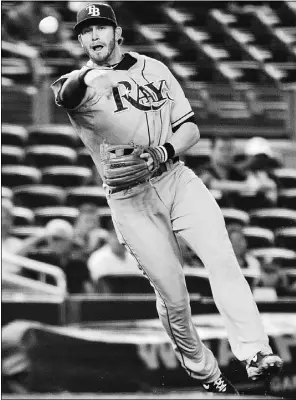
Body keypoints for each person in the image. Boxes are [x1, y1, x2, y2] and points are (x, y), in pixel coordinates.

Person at [51, 3, 283, 394]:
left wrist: (165, 151)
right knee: (174, 295)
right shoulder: (81, 82)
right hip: (130, 198)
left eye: (101, 27)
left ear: (117, 32)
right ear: (79, 39)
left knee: (223, 258)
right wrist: (86, 75)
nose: (94, 35)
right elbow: (66, 95)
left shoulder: (155, 68)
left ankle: (255, 352)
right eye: (86, 30)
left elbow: (190, 128)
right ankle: (207, 374)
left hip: (175, 178)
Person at [28, 219, 94, 294]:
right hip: (47, 302)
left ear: (70, 240)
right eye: (54, 238)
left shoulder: (79, 264)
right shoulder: (39, 259)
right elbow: (14, 261)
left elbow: (89, 292)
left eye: (61, 239)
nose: (58, 243)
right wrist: (37, 238)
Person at [87, 227, 141, 292]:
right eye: (116, 237)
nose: (120, 241)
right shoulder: (98, 258)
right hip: (108, 299)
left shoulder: (137, 258)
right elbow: (99, 284)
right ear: (108, 239)